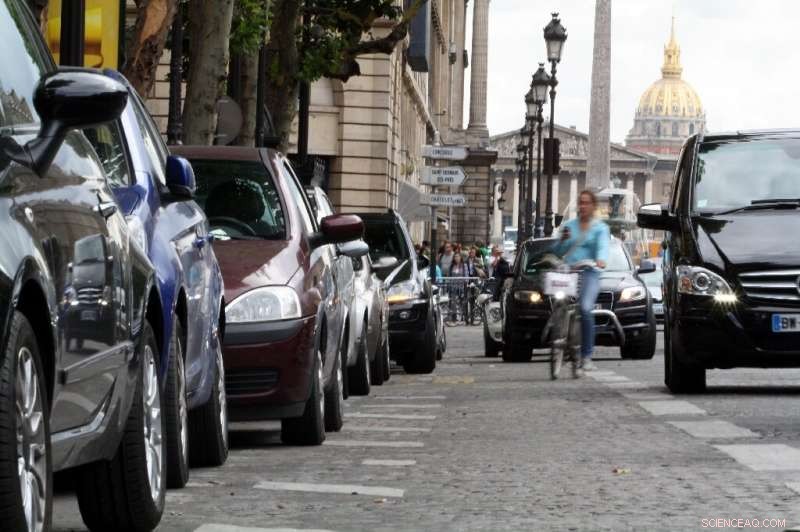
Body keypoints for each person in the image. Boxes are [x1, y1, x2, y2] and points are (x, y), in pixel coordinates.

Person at [550, 189, 610, 372]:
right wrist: (562, 242)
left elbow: (602, 248)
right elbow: (557, 251)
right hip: (569, 272)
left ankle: (586, 356)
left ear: (593, 206)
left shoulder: (601, 228)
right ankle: (558, 335)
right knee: (559, 303)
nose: (583, 206)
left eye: (586, 203)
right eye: (580, 202)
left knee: (585, 308)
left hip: (590, 272)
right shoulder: (569, 226)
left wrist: (600, 260)